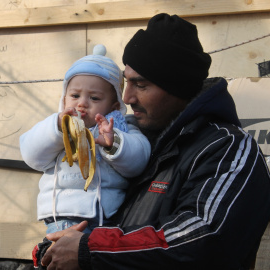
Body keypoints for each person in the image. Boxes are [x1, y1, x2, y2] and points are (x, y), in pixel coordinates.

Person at [40, 13, 270, 270]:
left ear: (177, 88)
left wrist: (90, 248)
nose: (127, 97)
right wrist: (59, 244)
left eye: (140, 85)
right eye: (127, 82)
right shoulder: (133, 141)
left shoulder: (228, 148)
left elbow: (203, 239)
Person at [20, 44, 150, 236]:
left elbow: (139, 160)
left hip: (106, 218)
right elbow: (32, 155)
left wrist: (113, 143)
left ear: (114, 105)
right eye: (74, 95)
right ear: (64, 99)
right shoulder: (54, 128)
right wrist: (57, 127)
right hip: (61, 217)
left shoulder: (119, 129)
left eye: (95, 98)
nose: (82, 103)